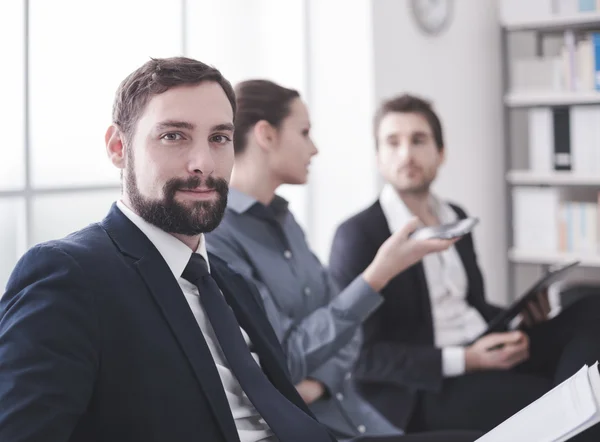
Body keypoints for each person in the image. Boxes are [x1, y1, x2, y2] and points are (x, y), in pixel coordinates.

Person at [0, 57, 340, 442]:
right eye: (174, 136)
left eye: (219, 138)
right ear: (118, 148)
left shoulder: (232, 282)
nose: (204, 163)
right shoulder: (66, 275)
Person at [205, 80, 481, 442]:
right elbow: (285, 358)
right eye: (304, 132)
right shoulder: (219, 237)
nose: (315, 148)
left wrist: (318, 382)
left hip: (356, 416)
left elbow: (349, 333)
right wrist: (377, 276)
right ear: (266, 135)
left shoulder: (287, 223)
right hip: (320, 428)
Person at [328, 93, 600, 439]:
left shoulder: (454, 216)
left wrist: (520, 318)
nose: (406, 153)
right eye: (392, 143)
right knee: (560, 404)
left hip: (483, 344)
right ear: (378, 158)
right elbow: (365, 357)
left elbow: (472, 306)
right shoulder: (359, 234)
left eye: (418, 140)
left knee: (592, 307)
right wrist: (467, 359)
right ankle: (568, 409)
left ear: (440, 153)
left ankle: (570, 406)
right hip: (427, 384)